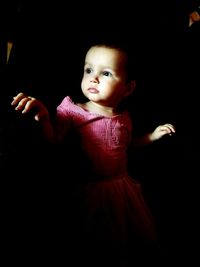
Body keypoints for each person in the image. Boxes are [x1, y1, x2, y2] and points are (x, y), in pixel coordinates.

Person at [11, 39, 175, 266]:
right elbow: (53, 139)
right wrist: (43, 117)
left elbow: (127, 146)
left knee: (128, 236)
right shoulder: (73, 111)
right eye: (88, 70)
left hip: (120, 187)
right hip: (90, 189)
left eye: (106, 73)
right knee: (93, 241)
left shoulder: (124, 117)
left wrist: (154, 136)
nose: (93, 78)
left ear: (127, 88)